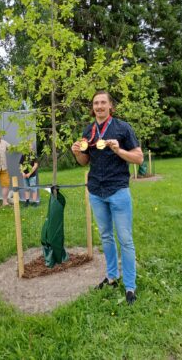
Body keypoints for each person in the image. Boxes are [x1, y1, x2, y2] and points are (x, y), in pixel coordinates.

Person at [71, 91, 143, 305]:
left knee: (125, 239)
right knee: (105, 236)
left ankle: (130, 286)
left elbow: (138, 158)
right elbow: (84, 161)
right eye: (96, 103)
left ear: (111, 106)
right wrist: (77, 152)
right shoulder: (89, 131)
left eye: (103, 103)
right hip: (95, 191)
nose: (99, 106)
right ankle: (112, 277)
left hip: (118, 190)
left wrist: (118, 149)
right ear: (92, 108)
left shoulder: (123, 128)